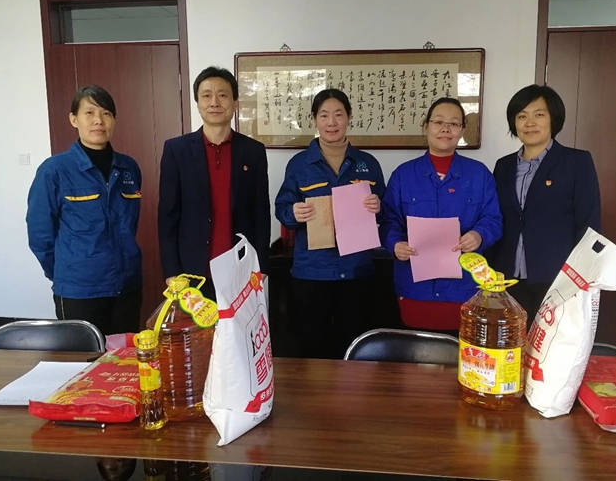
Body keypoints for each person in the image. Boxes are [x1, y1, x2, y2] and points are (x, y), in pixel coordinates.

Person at [275, 88, 386, 359]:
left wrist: (378, 207)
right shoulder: (299, 164)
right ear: (314, 119)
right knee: (313, 348)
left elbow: (386, 211)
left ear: (349, 117)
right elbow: (282, 208)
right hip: (312, 272)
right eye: (324, 115)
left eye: (338, 114)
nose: (331, 122)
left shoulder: (368, 164)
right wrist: (294, 212)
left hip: (357, 270)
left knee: (354, 348)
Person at [380, 97, 503, 333]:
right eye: (438, 122)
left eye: (454, 124)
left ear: (462, 130)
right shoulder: (403, 175)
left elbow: (493, 219)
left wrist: (479, 235)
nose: (445, 129)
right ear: (426, 126)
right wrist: (395, 244)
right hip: (415, 286)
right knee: (415, 350)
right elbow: (389, 220)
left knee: (462, 351)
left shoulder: (479, 174)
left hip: (465, 287)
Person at [26, 86, 142, 336]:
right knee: (83, 357)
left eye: (106, 113)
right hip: (79, 290)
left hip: (127, 286)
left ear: (114, 120)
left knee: (124, 357)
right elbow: (40, 235)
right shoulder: (54, 170)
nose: (98, 120)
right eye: (89, 112)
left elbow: (130, 223)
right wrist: (65, 272)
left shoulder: (128, 167)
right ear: (74, 119)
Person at [490, 84, 601, 322]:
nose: (529, 123)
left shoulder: (576, 162)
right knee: (511, 341)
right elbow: (497, 217)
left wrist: (580, 275)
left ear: (554, 119)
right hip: (507, 278)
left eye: (539, 114)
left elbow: (589, 223)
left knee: (552, 343)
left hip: (557, 278)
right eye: (522, 116)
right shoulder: (503, 166)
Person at [158, 66, 270, 299]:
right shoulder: (176, 150)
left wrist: (261, 266)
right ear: (198, 103)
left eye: (223, 95)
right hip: (192, 273)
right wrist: (171, 271)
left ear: (235, 102)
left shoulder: (253, 151)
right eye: (207, 95)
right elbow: (167, 216)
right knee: (195, 326)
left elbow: (261, 213)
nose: (214, 103)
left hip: (240, 270)